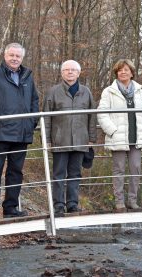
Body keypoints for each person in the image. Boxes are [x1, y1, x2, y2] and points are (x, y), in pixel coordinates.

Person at [0, 43, 39, 219]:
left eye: (18, 56)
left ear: (22, 58)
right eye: (11, 55)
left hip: (22, 133)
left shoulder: (27, 77)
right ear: (5, 56)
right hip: (1, 132)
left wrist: (31, 121)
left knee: (16, 172)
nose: (14, 58)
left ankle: (10, 208)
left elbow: (35, 100)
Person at [44, 60, 97, 216]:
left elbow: (91, 116)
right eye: (66, 70)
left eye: (73, 70)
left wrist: (91, 138)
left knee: (75, 173)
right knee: (58, 174)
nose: (70, 72)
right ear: (61, 73)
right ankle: (58, 205)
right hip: (59, 139)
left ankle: (72, 204)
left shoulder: (86, 92)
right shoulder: (53, 92)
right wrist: (46, 139)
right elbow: (46, 118)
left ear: (79, 73)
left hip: (81, 140)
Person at [97, 59, 142, 210]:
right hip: (118, 137)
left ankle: (132, 201)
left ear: (132, 73)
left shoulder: (140, 91)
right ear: (116, 73)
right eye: (120, 70)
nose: (123, 72)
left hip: (136, 136)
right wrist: (112, 130)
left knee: (136, 167)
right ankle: (119, 202)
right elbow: (101, 114)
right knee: (119, 169)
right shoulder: (109, 91)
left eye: (126, 70)